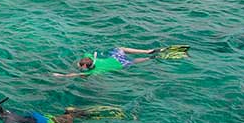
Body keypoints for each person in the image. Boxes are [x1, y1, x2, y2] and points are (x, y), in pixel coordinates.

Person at [53, 45, 188, 78]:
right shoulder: (92, 59)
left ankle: (151, 57)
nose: (78, 65)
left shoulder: (94, 72)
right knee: (120, 48)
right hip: (115, 58)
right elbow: (87, 54)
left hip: (121, 64)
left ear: (85, 66)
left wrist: (61, 75)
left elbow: (74, 75)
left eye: (80, 65)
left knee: (134, 62)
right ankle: (147, 51)